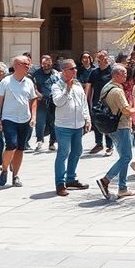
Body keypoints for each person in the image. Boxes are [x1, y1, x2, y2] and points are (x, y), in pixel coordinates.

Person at [96, 64, 135, 200]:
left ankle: (123, 188)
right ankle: (106, 180)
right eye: (124, 74)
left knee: (123, 157)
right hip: (121, 126)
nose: (126, 76)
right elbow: (126, 110)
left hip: (111, 127)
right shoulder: (117, 91)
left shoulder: (106, 87)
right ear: (116, 75)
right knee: (126, 157)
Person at [0, 56, 37, 187]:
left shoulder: (29, 82)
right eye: (26, 64)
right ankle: (4, 169)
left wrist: (34, 116)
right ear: (17, 65)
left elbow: (33, 99)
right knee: (11, 145)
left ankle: (16, 176)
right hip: (9, 119)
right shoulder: (6, 82)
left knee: (20, 148)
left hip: (25, 119)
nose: (28, 66)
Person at [51, 58, 91, 196]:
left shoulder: (78, 84)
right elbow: (58, 102)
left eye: (75, 68)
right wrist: (67, 89)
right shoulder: (57, 86)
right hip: (63, 125)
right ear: (64, 71)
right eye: (72, 69)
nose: (75, 70)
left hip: (78, 125)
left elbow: (83, 102)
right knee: (63, 153)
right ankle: (60, 183)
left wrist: (87, 118)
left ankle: (71, 178)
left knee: (77, 151)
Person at [85, 51, 113, 155]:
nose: (100, 60)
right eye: (98, 58)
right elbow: (88, 86)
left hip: (109, 101)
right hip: (97, 101)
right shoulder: (94, 72)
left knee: (108, 123)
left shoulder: (112, 71)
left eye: (102, 57)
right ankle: (99, 143)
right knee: (97, 122)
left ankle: (110, 146)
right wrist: (85, 100)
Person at [31, 55, 60, 151]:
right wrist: (38, 95)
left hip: (53, 101)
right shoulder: (36, 73)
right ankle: (39, 140)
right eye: (44, 63)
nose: (46, 65)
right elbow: (33, 86)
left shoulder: (56, 74)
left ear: (51, 63)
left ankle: (52, 142)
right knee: (40, 122)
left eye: (48, 63)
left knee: (53, 122)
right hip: (41, 101)